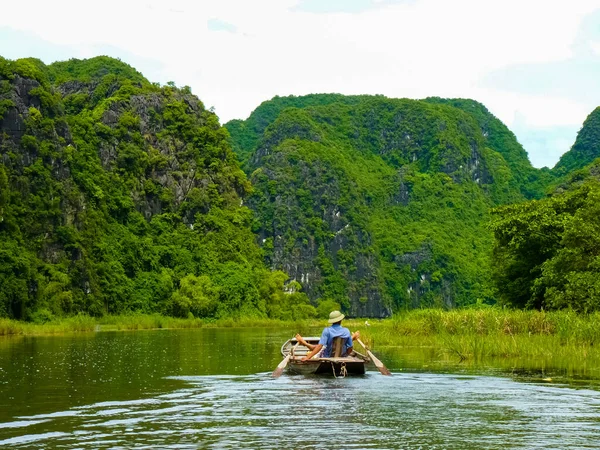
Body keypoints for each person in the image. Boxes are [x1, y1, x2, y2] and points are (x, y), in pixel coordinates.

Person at [296, 310, 360, 361]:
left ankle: (304, 343)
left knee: (318, 348)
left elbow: (319, 346)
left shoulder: (327, 330)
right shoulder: (346, 331)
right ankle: (353, 337)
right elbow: (350, 348)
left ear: (332, 321)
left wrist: (308, 357)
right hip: (342, 357)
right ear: (340, 320)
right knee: (320, 347)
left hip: (327, 356)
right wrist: (346, 355)